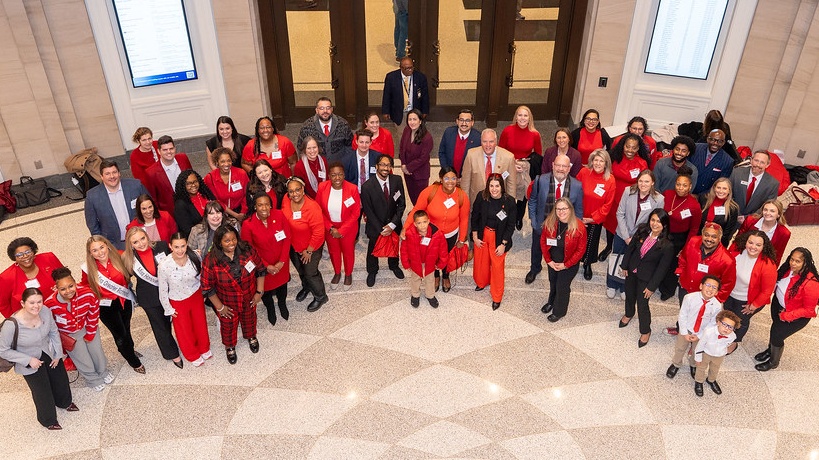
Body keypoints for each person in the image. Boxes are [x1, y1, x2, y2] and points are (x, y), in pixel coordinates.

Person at [0, 288, 78, 430]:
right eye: (32, 302)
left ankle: (64, 402)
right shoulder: (11, 325)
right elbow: (3, 350)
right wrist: (28, 360)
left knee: (60, 378)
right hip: (28, 360)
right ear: (23, 303)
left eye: (39, 301)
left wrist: (57, 353)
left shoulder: (45, 311)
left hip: (47, 351)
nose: (36, 306)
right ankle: (48, 420)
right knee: (42, 391)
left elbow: (54, 331)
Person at [201, 225, 265, 364]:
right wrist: (220, 307)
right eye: (227, 241)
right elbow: (207, 287)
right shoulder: (211, 260)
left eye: (233, 239)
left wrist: (259, 292)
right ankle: (230, 347)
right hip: (227, 302)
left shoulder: (247, 251)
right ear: (219, 243)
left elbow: (260, 269)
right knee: (228, 326)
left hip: (249, 296)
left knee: (250, 319)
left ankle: (251, 336)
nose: (231, 243)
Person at [81, 235, 144, 373]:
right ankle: (134, 361)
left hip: (124, 300)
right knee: (120, 335)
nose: (100, 252)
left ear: (107, 245)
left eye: (102, 247)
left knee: (126, 328)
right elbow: (85, 285)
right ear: (90, 253)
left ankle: (130, 349)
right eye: (95, 250)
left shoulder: (120, 257)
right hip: (106, 308)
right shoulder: (88, 268)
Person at [122, 227, 182, 369]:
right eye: (135, 242)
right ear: (131, 244)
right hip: (149, 298)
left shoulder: (161, 246)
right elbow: (124, 277)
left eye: (142, 238)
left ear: (147, 236)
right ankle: (172, 353)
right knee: (160, 327)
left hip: (171, 292)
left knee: (176, 321)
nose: (141, 243)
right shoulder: (128, 258)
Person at [45, 267, 113, 392]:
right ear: (56, 289)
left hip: (88, 327)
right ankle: (92, 379)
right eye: (63, 289)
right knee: (82, 358)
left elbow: (94, 313)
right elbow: (51, 325)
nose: (68, 291)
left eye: (71, 286)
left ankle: (103, 372)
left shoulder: (88, 293)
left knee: (97, 351)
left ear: (75, 283)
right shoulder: (49, 304)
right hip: (70, 335)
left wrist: (91, 332)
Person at [403, 167, 470, 293]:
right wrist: (405, 227)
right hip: (431, 234)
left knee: (447, 256)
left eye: (453, 178)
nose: (450, 181)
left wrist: (462, 239)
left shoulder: (462, 196)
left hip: (450, 234)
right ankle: (435, 276)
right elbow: (416, 210)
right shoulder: (430, 192)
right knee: (432, 256)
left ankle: (445, 275)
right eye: (446, 178)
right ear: (440, 179)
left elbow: (464, 218)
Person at [754, 247, 819, 371]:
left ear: (806, 263)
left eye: (798, 261)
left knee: (777, 336)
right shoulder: (786, 270)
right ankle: (770, 350)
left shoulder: (812, 283)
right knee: (774, 329)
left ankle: (774, 362)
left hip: (794, 316)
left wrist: (786, 316)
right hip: (778, 306)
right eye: (792, 259)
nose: (793, 263)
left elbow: (809, 310)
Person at [666, 222, 736, 336]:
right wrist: (680, 273)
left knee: (702, 319)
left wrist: (714, 299)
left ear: (719, 238)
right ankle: (681, 330)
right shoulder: (693, 241)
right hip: (686, 287)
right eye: (706, 235)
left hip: (706, 297)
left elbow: (728, 284)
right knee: (684, 310)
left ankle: (696, 340)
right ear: (702, 234)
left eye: (714, 237)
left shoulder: (727, 260)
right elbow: (683, 258)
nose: (709, 239)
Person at [619, 208, 675, 347]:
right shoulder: (642, 231)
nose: (655, 224)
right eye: (653, 220)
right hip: (632, 271)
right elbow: (631, 248)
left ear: (664, 225)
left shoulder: (667, 245)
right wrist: (624, 265)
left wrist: (651, 287)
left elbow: (662, 269)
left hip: (647, 278)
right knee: (629, 295)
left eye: (659, 221)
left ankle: (645, 330)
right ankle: (629, 313)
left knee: (643, 305)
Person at [526, 155, 583, 284]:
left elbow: (578, 210)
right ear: (552, 165)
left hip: (564, 229)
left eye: (564, 166)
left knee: (559, 251)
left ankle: (558, 270)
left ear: (569, 168)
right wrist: (534, 221)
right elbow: (533, 200)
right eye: (558, 165)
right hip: (542, 225)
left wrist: (576, 229)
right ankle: (535, 268)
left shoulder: (577, 186)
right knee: (537, 248)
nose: (561, 169)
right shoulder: (540, 180)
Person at [158, 233, 212, 367]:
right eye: (176, 247)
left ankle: (204, 347)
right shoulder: (164, 265)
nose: (180, 250)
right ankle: (191, 354)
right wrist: (168, 308)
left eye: (183, 246)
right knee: (184, 329)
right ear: (170, 246)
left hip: (195, 295)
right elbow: (163, 290)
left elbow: (200, 276)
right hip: (177, 300)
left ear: (186, 244)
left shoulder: (195, 256)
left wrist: (204, 293)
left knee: (200, 323)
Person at [608, 169, 664, 299]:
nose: (643, 184)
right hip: (622, 233)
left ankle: (623, 286)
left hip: (640, 238)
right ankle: (611, 284)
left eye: (646, 181)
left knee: (630, 262)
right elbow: (620, 213)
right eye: (640, 181)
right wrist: (626, 235)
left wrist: (635, 239)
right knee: (615, 258)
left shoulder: (659, 199)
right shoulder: (629, 191)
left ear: (652, 183)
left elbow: (655, 221)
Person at [724, 230, 778, 354]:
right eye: (750, 242)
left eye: (758, 245)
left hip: (747, 301)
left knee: (740, 322)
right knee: (728, 316)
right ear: (745, 242)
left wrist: (753, 306)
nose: (753, 247)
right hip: (730, 295)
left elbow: (767, 291)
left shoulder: (768, 265)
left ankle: (734, 343)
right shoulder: (736, 253)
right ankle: (726, 335)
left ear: (764, 247)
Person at [241, 194, 291, 326]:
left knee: (282, 287)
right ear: (255, 207)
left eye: (266, 204)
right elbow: (249, 250)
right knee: (266, 291)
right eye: (260, 205)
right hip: (263, 266)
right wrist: (266, 265)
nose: (264, 208)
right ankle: (270, 309)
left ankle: (282, 304)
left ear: (270, 205)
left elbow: (287, 238)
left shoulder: (279, 215)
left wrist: (282, 261)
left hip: (281, 263)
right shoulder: (248, 224)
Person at [599, 133, 649, 263]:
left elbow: (644, 183)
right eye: (628, 147)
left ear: (638, 149)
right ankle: (609, 247)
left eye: (634, 148)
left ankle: (623, 252)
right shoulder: (614, 158)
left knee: (626, 226)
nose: (630, 150)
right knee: (611, 225)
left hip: (631, 200)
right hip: (613, 197)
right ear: (623, 146)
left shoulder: (642, 163)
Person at [471, 174, 517, 310]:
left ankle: (497, 296)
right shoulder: (482, 196)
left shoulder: (509, 202)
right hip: (482, 234)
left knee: (497, 267)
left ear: (502, 186)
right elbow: (475, 216)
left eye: (497, 186)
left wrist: (503, 244)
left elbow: (511, 225)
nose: (494, 189)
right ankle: (482, 282)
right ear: (487, 186)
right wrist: (474, 235)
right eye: (491, 186)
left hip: (499, 237)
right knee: (481, 261)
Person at [282, 177, 328, 312]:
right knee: (301, 270)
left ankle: (321, 296)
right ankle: (307, 287)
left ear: (303, 189)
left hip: (310, 248)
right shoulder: (286, 199)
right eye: (291, 191)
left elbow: (319, 233)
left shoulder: (312, 207)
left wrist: (308, 251)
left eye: (297, 190)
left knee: (310, 273)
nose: (294, 194)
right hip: (293, 245)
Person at [665, 275, 723, 381]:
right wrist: (684, 333)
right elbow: (683, 316)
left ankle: (693, 364)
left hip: (702, 333)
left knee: (697, 351)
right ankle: (676, 363)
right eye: (708, 285)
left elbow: (712, 323)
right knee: (680, 347)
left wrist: (699, 335)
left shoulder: (717, 306)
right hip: (687, 329)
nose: (710, 289)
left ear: (717, 292)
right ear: (701, 286)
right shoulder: (689, 298)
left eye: (714, 288)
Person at [361, 154, 406, 287]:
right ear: (376, 167)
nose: (385, 168)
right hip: (376, 226)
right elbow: (368, 211)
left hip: (394, 223)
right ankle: (372, 271)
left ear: (391, 167)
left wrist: (392, 224)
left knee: (393, 245)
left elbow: (401, 204)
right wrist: (381, 229)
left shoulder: (397, 180)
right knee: (373, 249)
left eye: (388, 165)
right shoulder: (367, 187)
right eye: (382, 164)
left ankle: (394, 266)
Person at [84, 159, 149, 250]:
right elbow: (93, 225)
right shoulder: (92, 196)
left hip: (141, 239)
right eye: (107, 174)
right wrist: (103, 244)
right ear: (101, 177)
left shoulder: (135, 186)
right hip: (114, 245)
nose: (112, 176)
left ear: (119, 173)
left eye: (114, 172)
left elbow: (150, 207)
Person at [540, 197, 587, 322]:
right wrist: (549, 261)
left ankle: (559, 311)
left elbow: (580, 251)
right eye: (558, 209)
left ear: (570, 209)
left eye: (564, 209)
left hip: (569, 264)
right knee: (553, 282)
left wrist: (566, 265)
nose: (561, 212)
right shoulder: (550, 222)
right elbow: (543, 242)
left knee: (562, 287)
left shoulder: (579, 227)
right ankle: (551, 302)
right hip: (553, 262)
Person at [658, 169, 702, 300]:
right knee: (658, 260)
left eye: (684, 185)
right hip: (663, 233)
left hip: (679, 239)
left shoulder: (694, 205)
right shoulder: (667, 194)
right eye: (678, 184)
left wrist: (686, 248)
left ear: (690, 187)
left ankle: (667, 290)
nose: (680, 188)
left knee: (672, 265)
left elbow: (694, 229)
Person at [315, 164, 361, 290]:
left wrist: (342, 230)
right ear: (329, 176)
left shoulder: (352, 189)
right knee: (333, 251)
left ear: (344, 175)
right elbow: (318, 210)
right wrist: (330, 228)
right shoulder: (322, 187)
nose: (337, 178)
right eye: (333, 175)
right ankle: (337, 272)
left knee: (348, 252)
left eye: (340, 174)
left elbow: (356, 213)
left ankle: (348, 274)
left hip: (348, 227)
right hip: (330, 227)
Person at [0, 237, 63, 318]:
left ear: (33, 251)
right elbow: (3, 305)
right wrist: (17, 322)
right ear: (14, 258)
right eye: (19, 255)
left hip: (60, 310)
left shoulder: (49, 258)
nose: (25, 256)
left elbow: (66, 278)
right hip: (30, 319)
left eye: (28, 252)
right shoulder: (6, 277)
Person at [576, 149, 615, 280]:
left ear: (606, 163)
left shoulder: (610, 180)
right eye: (596, 160)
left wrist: (593, 218)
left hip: (594, 219)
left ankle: (587, 263)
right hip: (578, 215)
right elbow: (575, 192)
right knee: (575, 241)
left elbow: (607, 204)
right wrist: (577, 215)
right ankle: (574, 262)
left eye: (601, 161)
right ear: (591, 161)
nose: (598, 163)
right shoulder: (583, 172)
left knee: (591, 243)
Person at [400, 210, 448, 308]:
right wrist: (406, 263)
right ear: (414, 224)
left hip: (429, 263)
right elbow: (404, 250)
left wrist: (441, 263)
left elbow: (443, 250)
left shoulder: (437, 234)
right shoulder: (409, 234)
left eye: (424, 222)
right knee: (415, 279)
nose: (422, 225)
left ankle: (430, 295)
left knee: (430, 280)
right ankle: (415, 295)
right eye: (419, 223)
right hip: (415, 263)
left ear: (429, 221)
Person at [461, 128, 516, 207]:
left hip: (499, 203)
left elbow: (511, 185)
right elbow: (465, 183)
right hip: (477, 203)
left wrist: (510, 205)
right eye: (484, 141)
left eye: (491, 142)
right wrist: (465, 205)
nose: (488, 145)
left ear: (496, 142)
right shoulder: (471, 155)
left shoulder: (508, 157)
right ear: (481, 142)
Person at [693, 310, 741, 396]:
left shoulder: (732, 336)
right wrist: (698, 358)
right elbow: (700, 345)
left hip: (719, 355)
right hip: (706, 353)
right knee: (701, 368)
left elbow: (728, 345)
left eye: (730, 327)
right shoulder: (708, 332)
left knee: (715, 368)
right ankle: (699, 381)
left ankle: (711, 380)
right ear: (718, 322)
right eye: (724, 324)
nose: (726, 328)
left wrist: (726, 351)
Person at [730, 200, 791, 265]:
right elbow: (737, 241)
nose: (767, 213)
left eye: (772, 211)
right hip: (744, 253)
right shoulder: (749, 221)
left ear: (779, 214)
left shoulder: (784, 233)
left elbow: (777, 255)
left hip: (762, 261)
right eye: (765, 210)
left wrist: (772, 270)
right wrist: (730, 257)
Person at [143, 135, 193, 215]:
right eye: (165, 150)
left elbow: (193, 178)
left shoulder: (183, 158)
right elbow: (153, 199)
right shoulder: (151, 173)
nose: (169, 152)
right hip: (171, 213)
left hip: (191, 205)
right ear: (159, 151)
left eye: (171, 148)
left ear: (175, 148)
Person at [297, 97, 353, 162]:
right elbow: (300, 148)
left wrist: (346, 162)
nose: (325, 111)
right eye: (321, 108)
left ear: (332, 109)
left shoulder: (343, 124)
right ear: (317, 110)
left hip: (339, 164)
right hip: (316, 165)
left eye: (328, 108)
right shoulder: (306, 127)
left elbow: (350, 145)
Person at [730, 150, 780, 221]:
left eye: (762, 162)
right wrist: (735, 213)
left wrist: (748, 218)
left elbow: (768, 206)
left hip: (754, 219)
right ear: (751, 160)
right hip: (731, 214)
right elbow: (728, 193)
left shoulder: (773, 184)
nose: (758, 165)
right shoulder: (737, 172)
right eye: (756, 160)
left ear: (767, 165)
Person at [204, 147, 249, 222]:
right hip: (220, 213)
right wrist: (235, 215)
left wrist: (242, 213)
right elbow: (215, 201)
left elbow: (246, 194)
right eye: (222, 161)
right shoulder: (210, 178)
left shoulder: (241, 173)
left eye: (229, 161)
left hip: (241, 211)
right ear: (217, 162)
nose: (226, 164)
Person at [499, 105, 543, 181]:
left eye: (525, 115)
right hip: (508, 163)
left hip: (525, 165)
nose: (522, 118)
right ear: (516, 117)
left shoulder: (535, 134)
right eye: (520, 115)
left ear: (529, 118)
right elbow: (500, 152)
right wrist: (512, 164)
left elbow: (538, 156)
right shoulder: (507, 131)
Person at [399, 109, 433, 203]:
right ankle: (415, 211)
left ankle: (420, 214)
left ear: (420, 121)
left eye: (415, 119)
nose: (412, 122)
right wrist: (403, 164)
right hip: (407, 172)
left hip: (420, 173)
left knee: (421, 198)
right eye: (410, 119)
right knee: (412, 195)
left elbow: (423, 158)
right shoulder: (407, 130)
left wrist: (409, 168)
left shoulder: (427, 137)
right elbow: (402, 148)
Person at [382, 58, 429, 126]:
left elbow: (425, 96)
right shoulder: (391, 77)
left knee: (415, 134)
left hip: (415, 111)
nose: (410, 70)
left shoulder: (420, 77)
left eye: (411, 67)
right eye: (407, 68)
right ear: (401, 68)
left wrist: (425, 111)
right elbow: (387, 95)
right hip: (399, 112)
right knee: (402, 134)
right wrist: (385, 111)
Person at [173, 170, 216, 237]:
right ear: (183, 185)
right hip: (200, 238)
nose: (193, 185)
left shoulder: (205, 193)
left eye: (195, 181)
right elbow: (187, 230)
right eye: (188, 183)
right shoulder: (181, 204)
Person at [438, 109, 481, 176]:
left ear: (472, 122)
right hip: (449, 174)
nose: (464, 123)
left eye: (467, 121)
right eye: (461, 120)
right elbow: (442, 153)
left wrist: (465, 177)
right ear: (457, 121)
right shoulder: (448, 132)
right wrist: (447, 172)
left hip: (467, 176)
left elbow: (478, 161)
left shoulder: (478, 138)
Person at [698, 178, 739, 247]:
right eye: (718, 188)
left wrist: (716, 245)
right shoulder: (704, 199)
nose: (721, 191)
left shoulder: (733, 208)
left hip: (717, 244)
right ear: (714, 188)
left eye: (724, 188)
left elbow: (727, 232)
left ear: (729, 191)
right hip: (700, 238)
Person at [690, 129, 733, 195]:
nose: (715, 143)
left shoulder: (727, 161)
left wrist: (700, 197)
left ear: (723, 143)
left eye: (719, 141)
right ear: (707, 139)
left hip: (706, 197)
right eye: (712, 139)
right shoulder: (695, 148)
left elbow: (720, 184)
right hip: (685, 190)